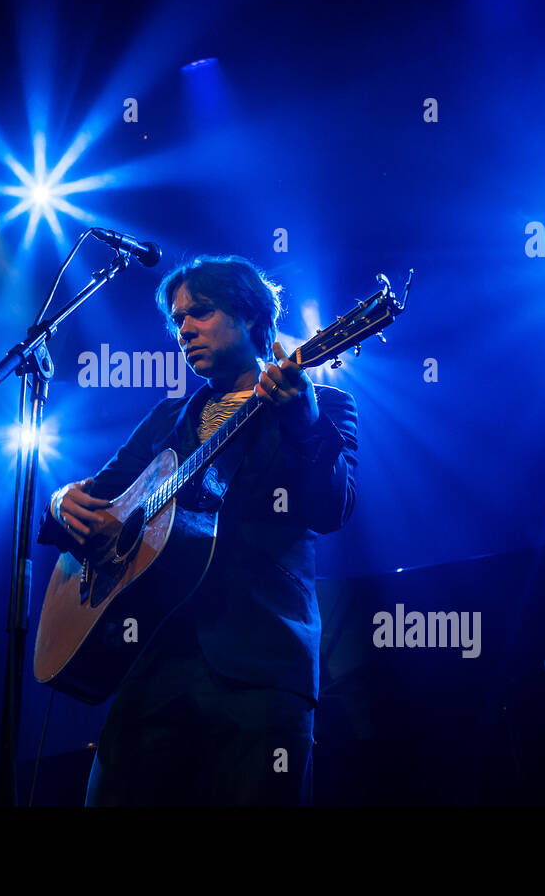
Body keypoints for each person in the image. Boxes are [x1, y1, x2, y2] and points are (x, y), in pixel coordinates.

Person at [37, 255, 359, 805]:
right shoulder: (166, 420)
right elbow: (97, 504)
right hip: (151, 667)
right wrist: (60, 500)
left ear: (253, 317)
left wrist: (303, 422)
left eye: (201, 313)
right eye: (178, 318)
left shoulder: (322, 406)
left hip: (260, 666)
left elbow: (332, 509)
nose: (183, 329)